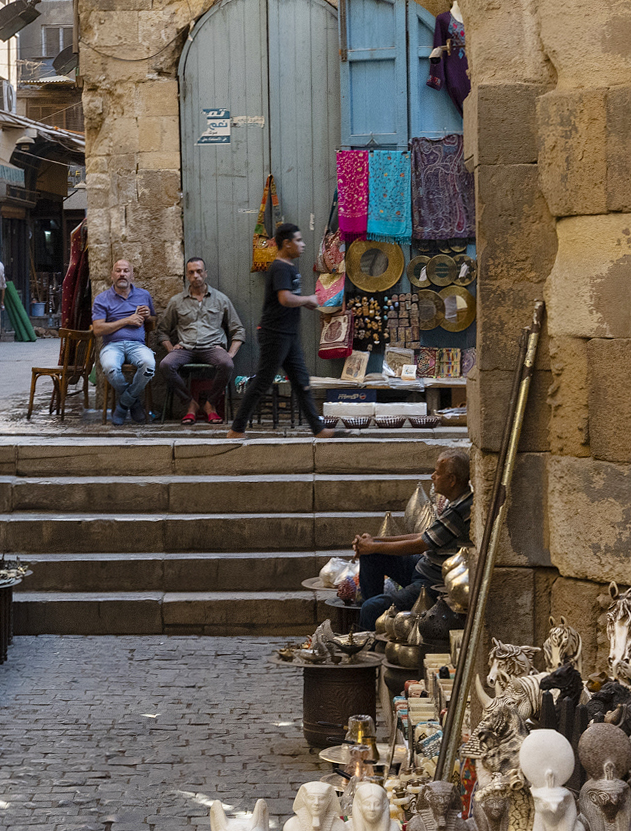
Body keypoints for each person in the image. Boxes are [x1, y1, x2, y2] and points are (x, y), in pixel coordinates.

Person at [228, 223, 336, 437]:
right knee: (262, 382)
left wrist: (304, 302)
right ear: (286, 244)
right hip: (274, 334)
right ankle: (236, 429)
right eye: (298, 240)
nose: (302, 244)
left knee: (301, 381)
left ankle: (318, 429)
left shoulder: (289, 268)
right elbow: (285, 299)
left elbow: (288, 298)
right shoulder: (279, 268)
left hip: (288, 334)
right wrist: (308, 299)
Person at [354, 449, 471, 624]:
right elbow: (422, 535)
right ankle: (379, 621)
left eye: (438, 473)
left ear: (452, 480)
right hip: (423, 567)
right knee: (371, 555)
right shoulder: (455, 501)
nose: (432, 476)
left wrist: (374, 545)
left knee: (371, 608)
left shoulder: (459, 510)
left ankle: (372, 631)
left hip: (433, 582)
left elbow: (419, 544)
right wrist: (373, 543)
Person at [155, 256, 246, 424]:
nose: (195, 275)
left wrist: (230, 354)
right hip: (186, 348)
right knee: (166, 365)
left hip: (212, 348)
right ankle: (190, 404)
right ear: (187, 276)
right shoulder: (176, 302)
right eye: (191, 272)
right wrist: (170, 348)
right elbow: (162, 331)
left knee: (226, 364)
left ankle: (210, 405)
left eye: (199, 271)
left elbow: (238, 330)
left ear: (205, 274)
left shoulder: (221, 299)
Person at [90, 257, 158, 423]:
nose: (122, 274)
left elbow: (153, 320)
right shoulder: (102, 299)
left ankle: (122, 406)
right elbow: (98, 330)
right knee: (110, 367)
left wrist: (148, 316)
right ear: (112, 275)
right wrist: (127, 320)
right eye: (118, 271)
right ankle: (134, 404)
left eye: (126, 271)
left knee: (149, 366)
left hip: (137, 345)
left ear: (132, 275)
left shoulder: (144, 295)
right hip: (112, 346)